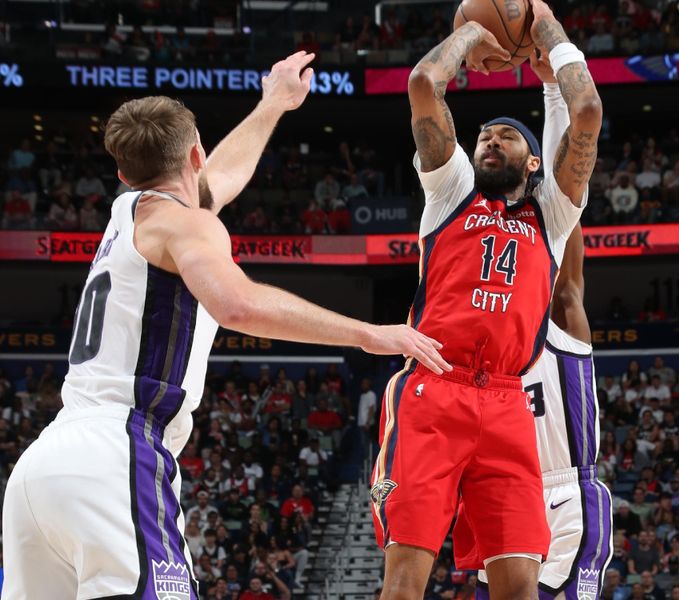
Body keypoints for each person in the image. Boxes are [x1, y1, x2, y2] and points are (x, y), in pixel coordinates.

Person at [1, 51, 449, 600]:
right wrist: (370, 333)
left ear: (123, 173)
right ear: (195, 152)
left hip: (40, 470)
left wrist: (273, 103)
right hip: (117, 453)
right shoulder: (187, 226)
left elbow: (215, 183)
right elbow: (236, 305)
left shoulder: (129, 212)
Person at [373, 1, 602, 597]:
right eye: (482, 135)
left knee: (519, 587)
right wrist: (474, 31)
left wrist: (544, 26)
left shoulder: (550, 215)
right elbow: (425, 84)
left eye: (505, 135)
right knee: (405, 578)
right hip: (434, 387)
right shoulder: (450, 192)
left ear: (534, 162)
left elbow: (587, 111)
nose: (488, 141)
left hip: (505, 403)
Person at [469, 224, 614, 600]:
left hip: (567, 494)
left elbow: (567, 285)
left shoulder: (561, 324)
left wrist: (562, 197)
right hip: (508, 495)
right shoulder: (488, 345)